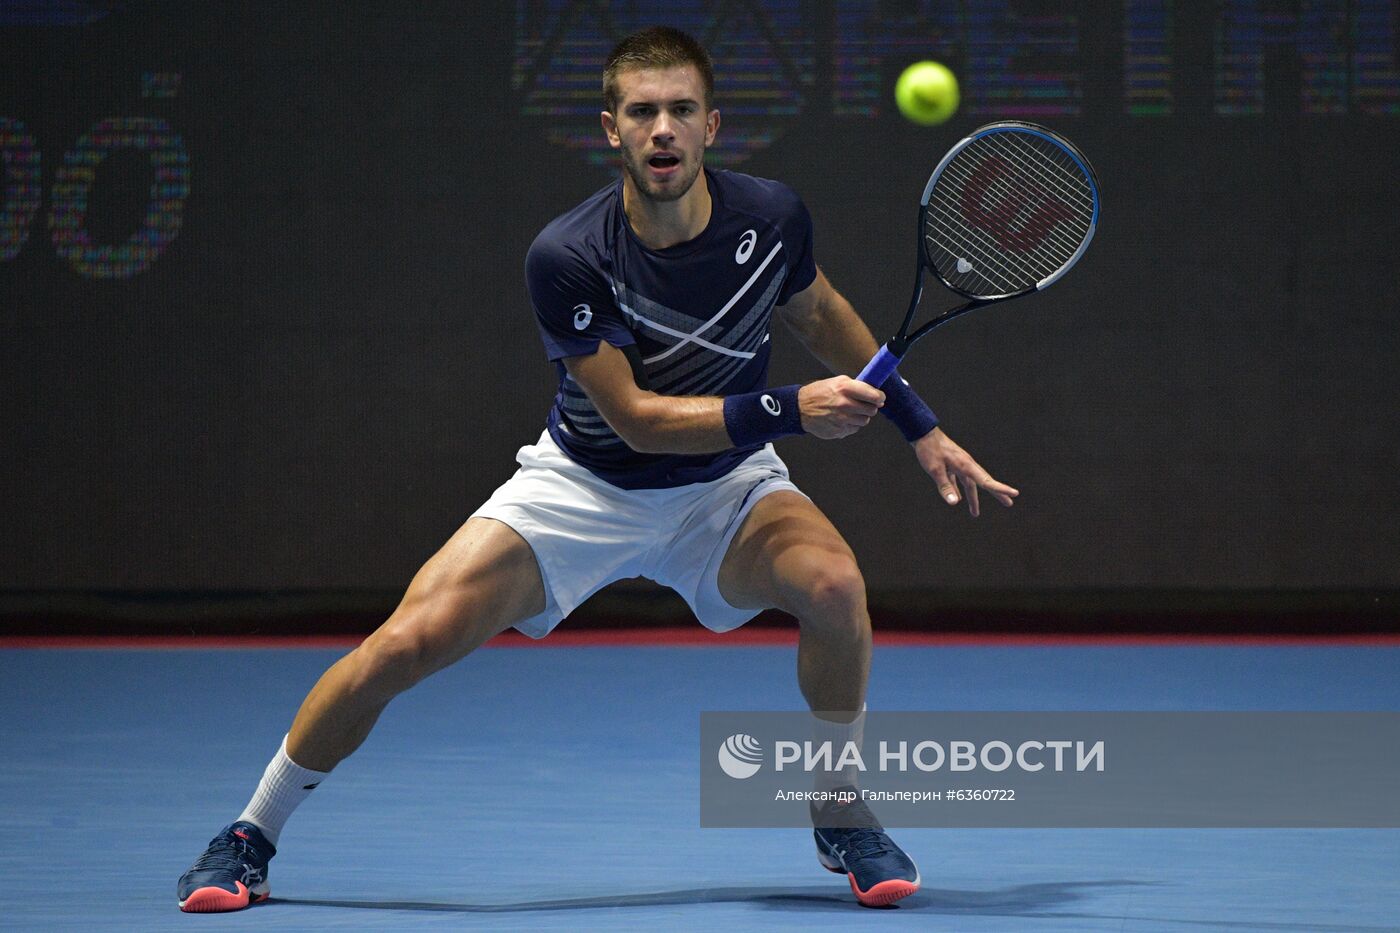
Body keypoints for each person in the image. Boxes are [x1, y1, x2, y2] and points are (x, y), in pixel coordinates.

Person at [176, 26, 1018, 913]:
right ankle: (249, 835)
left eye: (681, 111)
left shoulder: (771, 216)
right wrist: (791, 409)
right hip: (579, 488)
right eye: (643, 111)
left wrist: (919, 425)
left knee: (837, 587)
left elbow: (821, 311)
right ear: (610, 127)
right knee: (403, 643)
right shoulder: (569, 254)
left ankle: (839, 806)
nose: (663, 129)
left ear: (712, 125)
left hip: (725, 490)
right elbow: (636, 421)